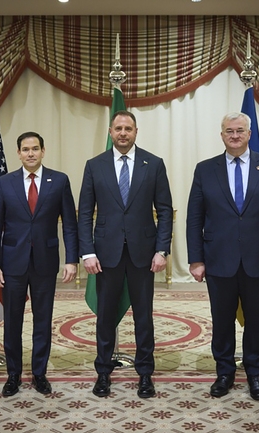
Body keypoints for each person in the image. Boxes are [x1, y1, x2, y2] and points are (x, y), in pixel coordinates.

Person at [186, 112, 259, 400]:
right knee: (221, 321)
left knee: (257, 321)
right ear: (221, 135)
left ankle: (256, 373)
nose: (234, 136)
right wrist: (196, 259)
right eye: (229, 131)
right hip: (218, 259)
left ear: (249, 134)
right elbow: (194, 217)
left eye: (240, 131)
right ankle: (224, 372)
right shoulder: (205, 169)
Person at [78, 110, 173, 398]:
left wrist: (162, 249)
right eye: (118, 128)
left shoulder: (153, 164)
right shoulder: (94, 165)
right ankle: (103, 372)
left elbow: (165, 210)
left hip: (143, 254)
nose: (123, 133)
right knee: (105, 316)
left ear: (135, 132)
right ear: (110, 132)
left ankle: (145, 373)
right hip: (106, 255)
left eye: (128, 128)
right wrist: (87, 252)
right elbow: (85, 212)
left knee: (143, 317)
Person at [0, 131, 78, 397]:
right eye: (25, 149)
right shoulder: (5, 183)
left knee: (43, 320)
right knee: (12, 321)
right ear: (18, 153)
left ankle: (39, 373)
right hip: (12, 264)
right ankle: (13, 374)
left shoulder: (59, 181)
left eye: (35, 148)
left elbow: (69, 225)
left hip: (45, 263)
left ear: (43, 151)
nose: (30, 153)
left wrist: (71, 260)